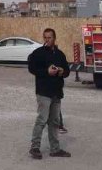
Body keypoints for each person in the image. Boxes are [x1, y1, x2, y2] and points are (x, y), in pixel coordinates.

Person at [27, 28, 72, 159]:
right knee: (41, 120)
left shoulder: (60, 54)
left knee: (55, 121)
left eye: (49, 37)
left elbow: (67, 71)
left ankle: (55, 149)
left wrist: (62, 71)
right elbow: (32, 68)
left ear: (54, 38)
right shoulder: (38, 53)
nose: (47, 40)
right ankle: (35, 147)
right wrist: (46, 72)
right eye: (45, 37)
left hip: (56, 92)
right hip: (43, 92)